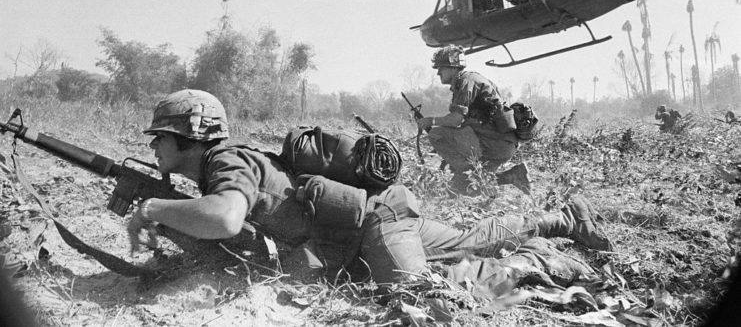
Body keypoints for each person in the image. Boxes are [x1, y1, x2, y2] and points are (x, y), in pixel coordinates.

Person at [127, 89, 610, 288]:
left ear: (182, 136)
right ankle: (562, 218)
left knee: (423, 288)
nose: (154, 148)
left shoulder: (226, 161)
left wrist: (153, 207)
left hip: (374, 224)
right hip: (371, 219)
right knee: (466, 240)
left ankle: (540, 262)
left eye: (159, 138)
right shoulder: (225, 165)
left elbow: (226, 218)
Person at [415, 45, 529, 194]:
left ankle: (464, 171)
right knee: (463, 189)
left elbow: (455, 120)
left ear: (453, 67)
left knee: (436, 134)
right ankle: (514, 175)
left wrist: (430, 121)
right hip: (501, 145)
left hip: (493, 143)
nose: (438, 73)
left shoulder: (466, 81)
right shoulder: (471, 80)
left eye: (441, 68)